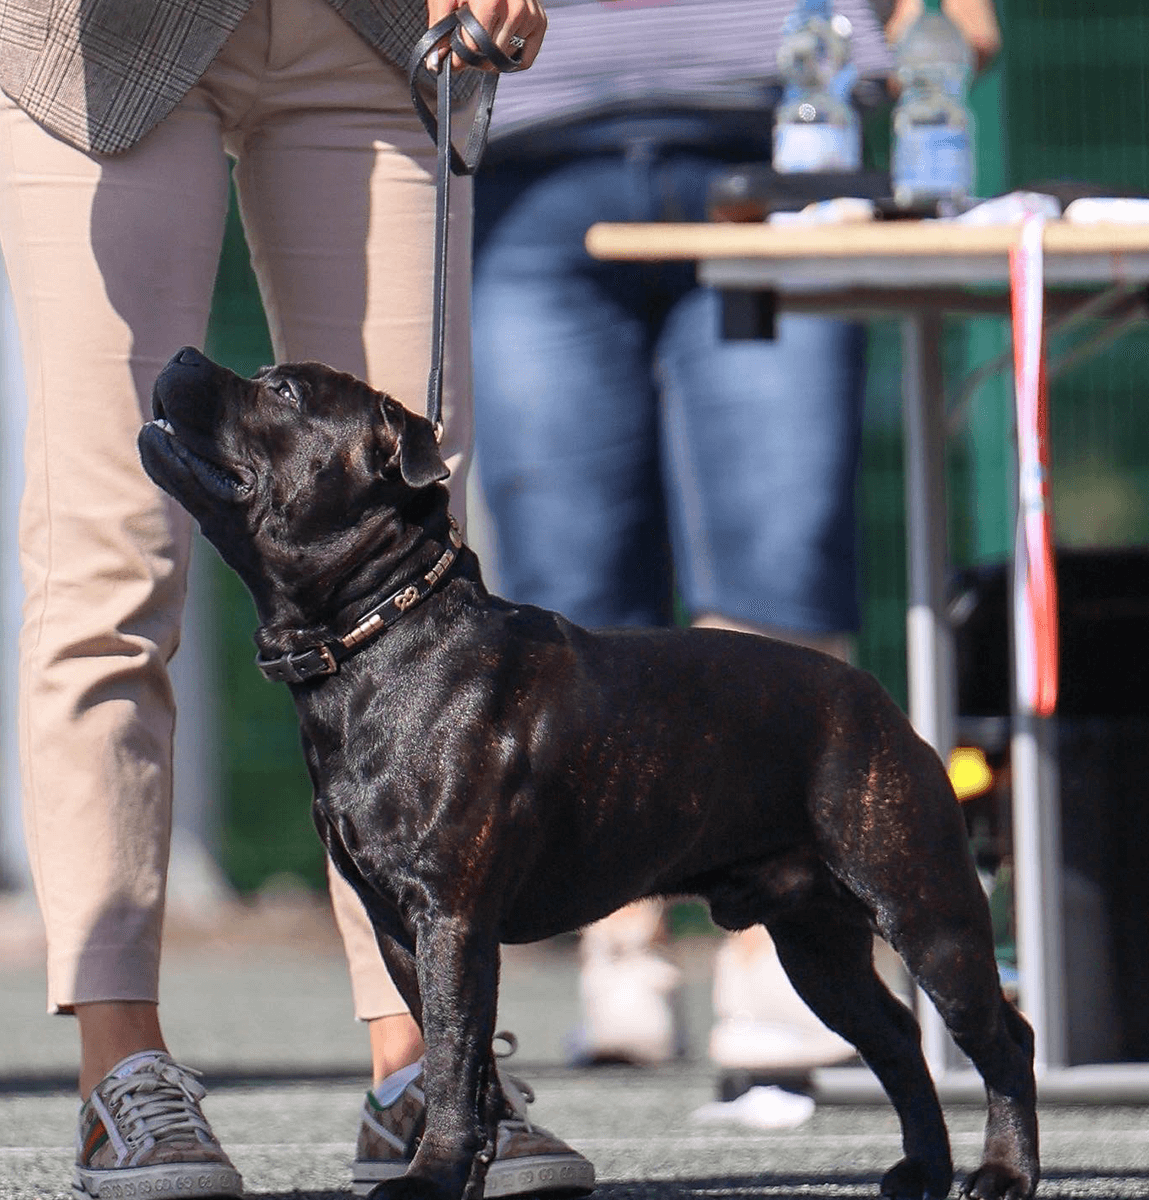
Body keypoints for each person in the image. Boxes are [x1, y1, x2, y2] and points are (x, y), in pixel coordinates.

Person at [0, 2, 592, 1198]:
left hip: (373, 30)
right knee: (113, 561)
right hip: (105, 43)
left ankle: (423, 1071)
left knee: (412, 549)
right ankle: (122, 1071)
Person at [470, 0, 999, 1091]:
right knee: (565, 599)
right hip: (534, 153)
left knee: (779, 567)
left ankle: (781, 945)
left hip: (784, 159)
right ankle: (621, 945)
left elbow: (961, 26)